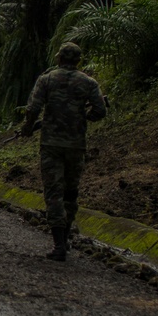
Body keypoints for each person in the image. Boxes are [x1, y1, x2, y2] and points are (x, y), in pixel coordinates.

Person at [21, 41, 107, 262]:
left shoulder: (47, 79)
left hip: (51, 145)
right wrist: (83, 117)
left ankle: (59, 244)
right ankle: (65, 238)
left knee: (54, 193)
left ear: (59, 58)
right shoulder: (88, 82)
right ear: (78, 61)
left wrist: (28, 128)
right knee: (70, 193)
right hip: (76, 145)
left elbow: (33, 108)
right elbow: (100, 110)